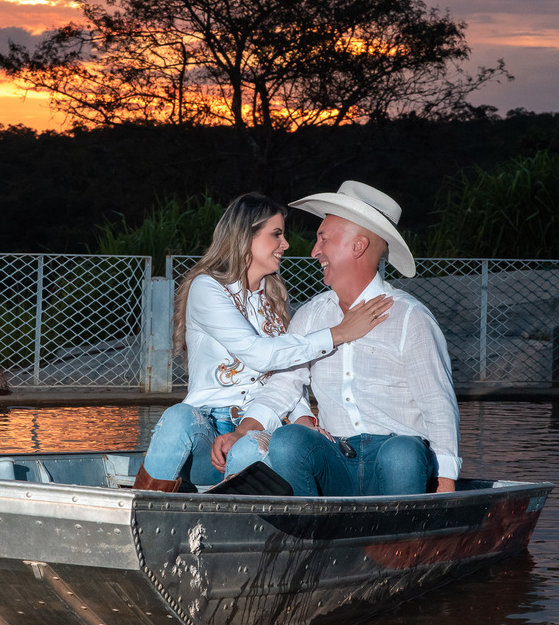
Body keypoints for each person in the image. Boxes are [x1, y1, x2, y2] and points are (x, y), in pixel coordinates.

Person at [212, 181, 460, 496]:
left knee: (402, 453)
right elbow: (283, 386)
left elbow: (437, 404)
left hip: (397, 460)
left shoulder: (411, 318)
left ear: (357, 246)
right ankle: (310, 531)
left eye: (323, 239)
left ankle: (400, 534)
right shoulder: (311, 316)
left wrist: (446, 483)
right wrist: (241, 432)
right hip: (337, 460)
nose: (315, 251)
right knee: (289, 441)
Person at [133, 192, 392, 492]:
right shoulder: (207, 288)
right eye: (276, 235)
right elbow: (259, 355)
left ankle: (241, 532)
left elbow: (286, 369)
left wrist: (303, 416)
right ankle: (140, 511)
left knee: (246, 450)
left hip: (258, 426)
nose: (286, 245)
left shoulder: (274, 297)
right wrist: (338, 333)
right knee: (176, 417)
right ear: (246, 236)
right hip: (204, 433)